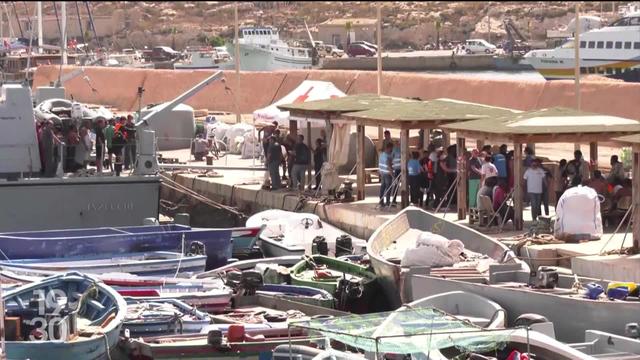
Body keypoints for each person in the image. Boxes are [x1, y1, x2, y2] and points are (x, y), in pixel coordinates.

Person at [378, 143, 394, 207]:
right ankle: (387, 202)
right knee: (388, 188)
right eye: (391, 148)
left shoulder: (381, 155)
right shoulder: (386, 156)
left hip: (382, 173)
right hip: (387, 174)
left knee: (383, 187)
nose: (392, 150)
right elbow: (388, 167)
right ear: (389, 148)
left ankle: (381, 201)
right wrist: (393, 175)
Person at [390, 141, 402, 206]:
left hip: (400, 168)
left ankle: (394, 199)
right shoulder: (395, 149)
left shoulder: (400, 148)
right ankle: (394, 199)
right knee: (396, 184)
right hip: (397, 169)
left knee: (397, 184)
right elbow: (392, 157)